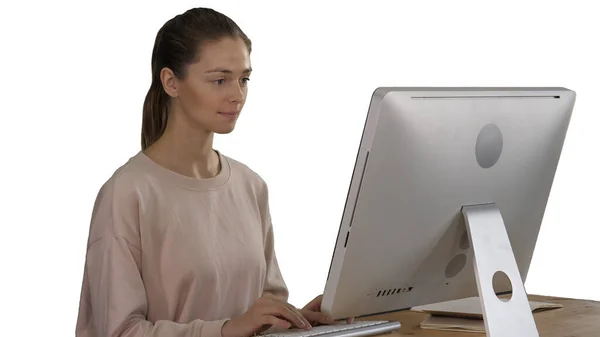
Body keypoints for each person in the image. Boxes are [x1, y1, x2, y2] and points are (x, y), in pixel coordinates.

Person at [75, 7, 351, 337]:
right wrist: (226, 330)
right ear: (171, 82)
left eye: (243, 79)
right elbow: (119, 332)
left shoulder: (251, 186)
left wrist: (295, 320)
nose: (237, 95)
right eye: (220, 80)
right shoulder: (127, 195)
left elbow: (258, 312)